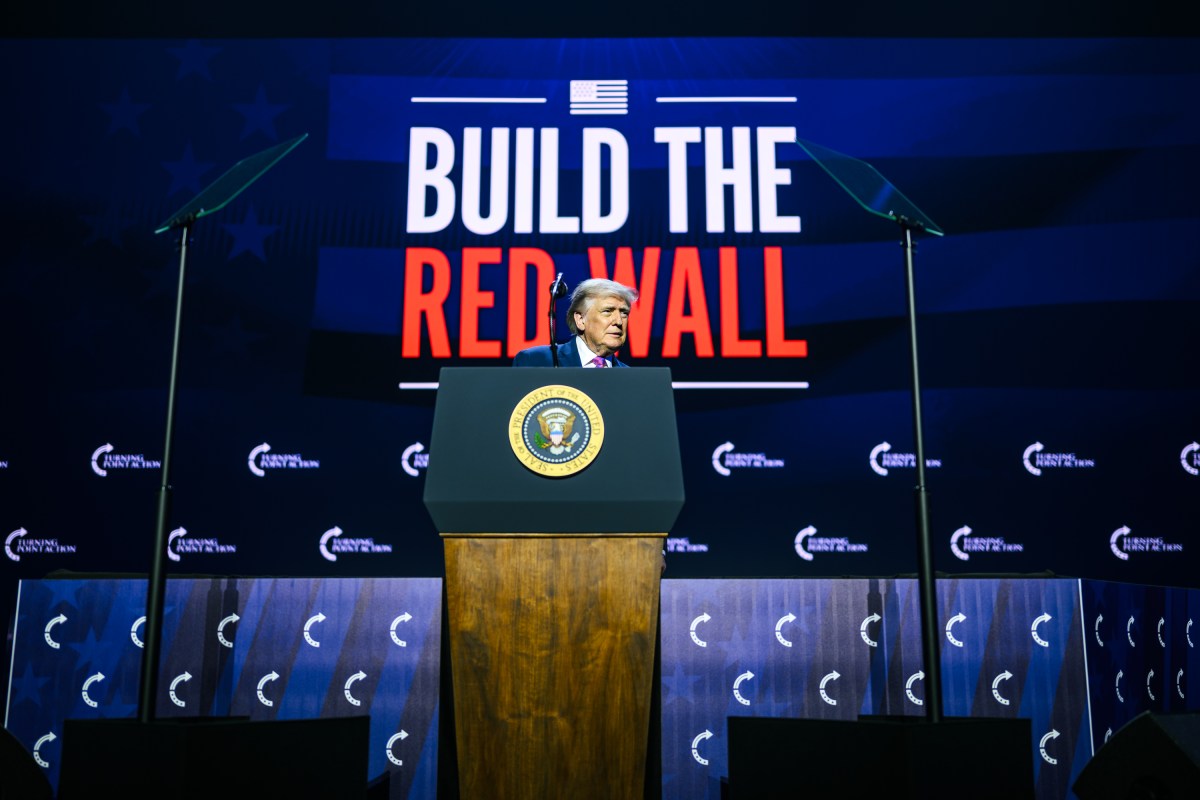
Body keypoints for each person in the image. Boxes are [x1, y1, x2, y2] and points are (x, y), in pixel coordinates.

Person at [512, 278, 637, 367]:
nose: (619, 321)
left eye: (624, 313)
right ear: (580, 319)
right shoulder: (535, 362)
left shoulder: (630, 378)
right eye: (607, 311)